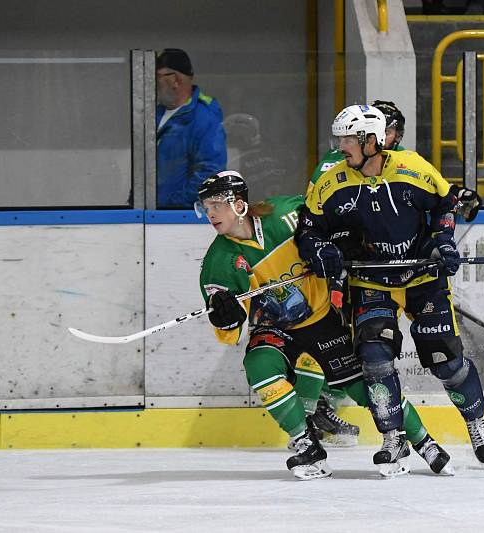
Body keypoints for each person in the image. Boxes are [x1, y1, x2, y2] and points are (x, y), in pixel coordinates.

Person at [197, 170, 454, 479]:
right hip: (274, 329)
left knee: (367, 388)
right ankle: (307, 446)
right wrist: (225, 316)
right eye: (205, 207)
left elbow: (330, 221)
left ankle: (424, 442)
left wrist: (339, 246)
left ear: (238, 205)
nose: (210, 214)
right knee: (259, 367)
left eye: (216, 205)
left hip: (322, 319)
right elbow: (231, 335)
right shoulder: (218, 262)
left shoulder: (286, 215)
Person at [295, 105, 484, 469]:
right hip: (372, 280)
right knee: (374, 358)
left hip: (422, 278)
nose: (340, 147)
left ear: (370, 140)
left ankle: (475, 419)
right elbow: (308, 228)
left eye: (347, 140)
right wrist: (320, 249)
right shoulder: (332, 182)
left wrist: (443, 242)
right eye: (338, 138)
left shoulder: (413, 168)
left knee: (445, 361)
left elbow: (444, 206)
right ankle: (394, 437)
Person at [309, 99, 483, 221]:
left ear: (398, 137)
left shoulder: (404, 157)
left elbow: (432, 187)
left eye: (386, 131)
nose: (379, 137)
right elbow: (314, 201)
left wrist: (457, 195)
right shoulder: (343, 156)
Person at [156, 48, 227, 208]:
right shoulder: (154, 114)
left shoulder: (203, 118)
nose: (153, 83)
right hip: (153, 213)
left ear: (175, 80)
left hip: (177, 217)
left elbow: (210, 172)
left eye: (157, 77)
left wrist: (172, 205)